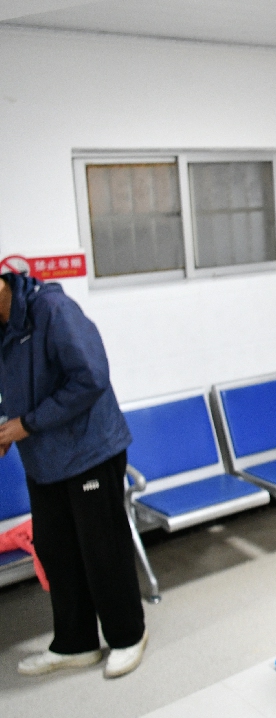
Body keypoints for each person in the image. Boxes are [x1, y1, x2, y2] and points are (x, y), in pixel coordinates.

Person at [0, 272, 148, 679]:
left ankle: (127, 636)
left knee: (102, 549)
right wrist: (5, 427)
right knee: (56, 550)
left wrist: (26, 424)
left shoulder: (53, 310)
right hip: (44, 459)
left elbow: (91, 377)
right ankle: (75, 644)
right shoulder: (4, 328)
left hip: (89, 451)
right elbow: (10, 386)